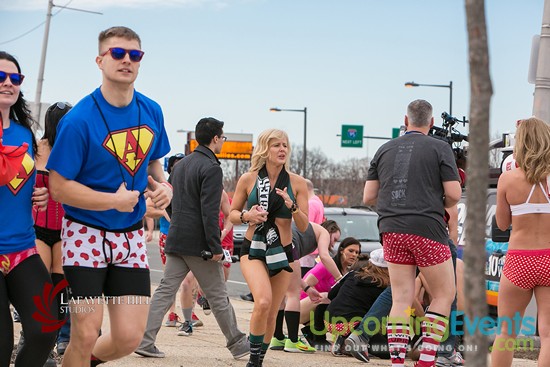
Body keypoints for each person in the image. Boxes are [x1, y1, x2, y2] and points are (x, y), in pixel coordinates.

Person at [46, 26, 172, 367]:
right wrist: (112, 202)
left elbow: (154, 164)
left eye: (135, 55)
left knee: (129, 337)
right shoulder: (78, 120)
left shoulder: (152, 111)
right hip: (84, 234)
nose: (127, 60)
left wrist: (164, 187)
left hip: (129, 238)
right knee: (85, 333)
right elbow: (58, 186)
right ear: (100, 60)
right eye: (118, 53)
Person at [136, 117, 249, 359]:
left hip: (176, 238)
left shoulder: (180, 166)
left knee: (165, 290)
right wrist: (214, 246)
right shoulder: (211, 168)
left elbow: (174, 203)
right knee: (218, 295)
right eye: (223, 137)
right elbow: (209, 212)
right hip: (200, 245)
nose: (223, 141)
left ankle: (144, 341)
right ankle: (239, 345)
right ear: (216, 138)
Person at [363, 99, 461, 367]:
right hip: (427, 229)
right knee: (443, 295)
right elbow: (454, 194)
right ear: (431, 123)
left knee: (401, 298)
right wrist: (437, 203)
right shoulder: (440, 148)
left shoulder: (384, 149)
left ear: (405, 122)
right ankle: (427, 360)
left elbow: (369, 195)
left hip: (391, 229)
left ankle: (397, 362)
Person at [229, 128, 309, 367]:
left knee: (273, 312)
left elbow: (304, 226)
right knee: (262, 302)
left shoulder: (297, 183)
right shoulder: (249, 179)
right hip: (253, 249)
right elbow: (232, 214)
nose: (282, 149)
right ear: (265, 149)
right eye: (276, 145)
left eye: (285, 145)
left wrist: (292, 206)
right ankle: (253, 361)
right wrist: (247, 216)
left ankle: (259, 360)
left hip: (283, 252)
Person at [0, 51, 56, 367]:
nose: (8, 83)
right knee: (1, 342)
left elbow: (25, 179)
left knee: (44, 329)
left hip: (23, 248)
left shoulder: (24, 132)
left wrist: (40, 196)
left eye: (15, 78)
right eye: (0, 77)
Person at [491, 117, 550, 367]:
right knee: (548, 334)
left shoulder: (508, 179)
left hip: (519, 260)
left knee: (506, 333)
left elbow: (502, 224)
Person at [32, 101, 73, 364]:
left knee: (60, 289)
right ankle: (37, 342)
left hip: (64, 229)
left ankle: (57, 338)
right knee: (40, 286)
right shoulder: (35, 148)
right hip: (36, 227)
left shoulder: (73, 149)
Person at [270, 220, 341, 353]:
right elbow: (325, 257)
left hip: (272, 243)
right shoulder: (323, 232)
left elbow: (294, 275)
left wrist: (308, 289)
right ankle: (293, 341)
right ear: (330, 231)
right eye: (335, 239)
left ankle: (278, 337)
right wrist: (340, 279)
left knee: (280, 293)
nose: (333, 244)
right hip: (287, 244)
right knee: (293, 294)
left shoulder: (308, 230)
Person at [325, 249, 390, 356]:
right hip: (353, 324)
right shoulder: (382, 287)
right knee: (386, 351)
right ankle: (347, 343)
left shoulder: (352, 274)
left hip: (329, 321)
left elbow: (331, 294)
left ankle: (343, 338)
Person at [299, 178, 325, 277]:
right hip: (313, 248)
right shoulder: (318, 202)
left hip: (305, 250)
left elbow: (303, 227)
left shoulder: (310, 204)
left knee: (302, 277)